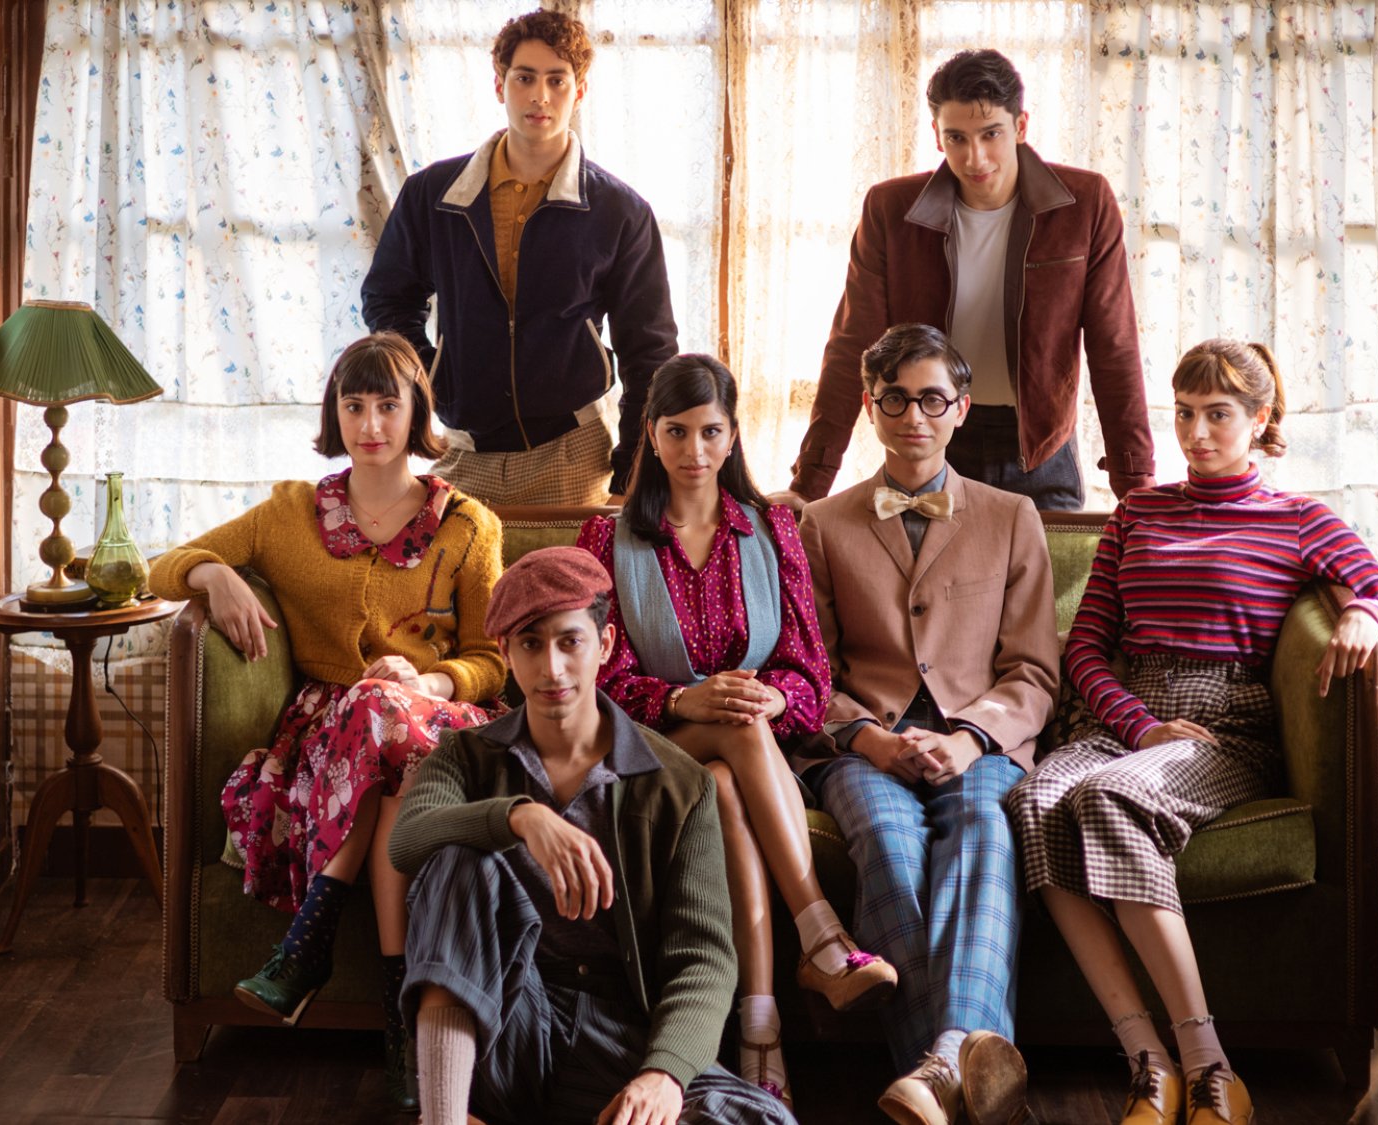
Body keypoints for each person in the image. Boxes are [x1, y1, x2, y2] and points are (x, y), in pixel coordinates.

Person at [1005, 338, 1378, 1125]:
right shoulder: (1139, 511)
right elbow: (1087, 648)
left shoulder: (1301, 519)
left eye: (1218, 415)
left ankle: (1211, 1067)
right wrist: (1137, 724)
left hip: (1225, 727)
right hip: (1130, 717)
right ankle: (1148, 1061)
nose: (1196, 433)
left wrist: (1365, 612)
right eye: (1186, 414)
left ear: (1260, 419)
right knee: (1033, 801)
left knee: (1107, 797)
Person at [146, 333, 506, 1110]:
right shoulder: (287, 515)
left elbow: (493, 658)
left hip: (437, 718)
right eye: (354, 404)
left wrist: (430, 674)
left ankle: (307, 943)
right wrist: (214, 574)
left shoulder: (468, 525)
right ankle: (398, 1015)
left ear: (417, 414)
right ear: (333, 413)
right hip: (338, 739)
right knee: (379, 753)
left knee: (382, 711)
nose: (370, 422)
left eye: (387, 404)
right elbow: (160, 564)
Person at [575, 354, 898, 1107]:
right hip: (645, 745)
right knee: (731, 731)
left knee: (730, 764)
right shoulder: (607, 540)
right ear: (651, 437)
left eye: (710, 431)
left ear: (731, 438)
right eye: (676, 431)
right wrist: (685, 700)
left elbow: (811, 676)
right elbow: (593, 681)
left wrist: (771, 701)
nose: (693, 450)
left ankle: (761, 1027)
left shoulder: (772, 528)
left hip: (743, 755)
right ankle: (820, 934)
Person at [387, 547, 795, 1125]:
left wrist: (664, 1076)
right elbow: (407, 842)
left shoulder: (679, 783)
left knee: (761, 1119)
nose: (552, 668)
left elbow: (702, 958)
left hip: (617, 1032)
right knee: (458, 858)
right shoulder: (465, 757)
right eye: (530, 643)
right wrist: (519, 817)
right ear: (505, 653)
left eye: (569, 641)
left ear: (603, 646)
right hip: (499, 1022)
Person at [797, 324, 1059, 1125]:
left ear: (960, 408)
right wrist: (868, 738)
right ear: (871, 409)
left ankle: (937, 1066)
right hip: (862, 745)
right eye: (896, 399)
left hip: (976, 744)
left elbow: (1033, 670)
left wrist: (970, 736)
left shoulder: (1013, 516)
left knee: (982, 830)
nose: (915, 415)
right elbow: (812, 674)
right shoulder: (823, 523)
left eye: (932, 399)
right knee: (887, 843)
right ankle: (960, 1062)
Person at [789, 48, 1155, 511]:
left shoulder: (1083, 204)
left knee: (1046, 585)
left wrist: (1138, 487)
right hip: (931, 440)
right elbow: (851, 346)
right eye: (957, 137)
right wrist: (810, 483)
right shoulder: (891, 210)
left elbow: (1114, 349)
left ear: (1021, 126)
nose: (974, 156)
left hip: (1040, 449)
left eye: (991, 134)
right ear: (938, 137)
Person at [360, 8, 679, 507]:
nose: (540, 96)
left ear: (580, 91)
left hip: (575, 457)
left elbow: (651, 353)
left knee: (572, 587)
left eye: (557, 80)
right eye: (524, 77)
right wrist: (430, 375)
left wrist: (632, 471)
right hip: (464, 453)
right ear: (498, 85)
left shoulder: (621, 211)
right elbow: (386, 298)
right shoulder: (432, 195)